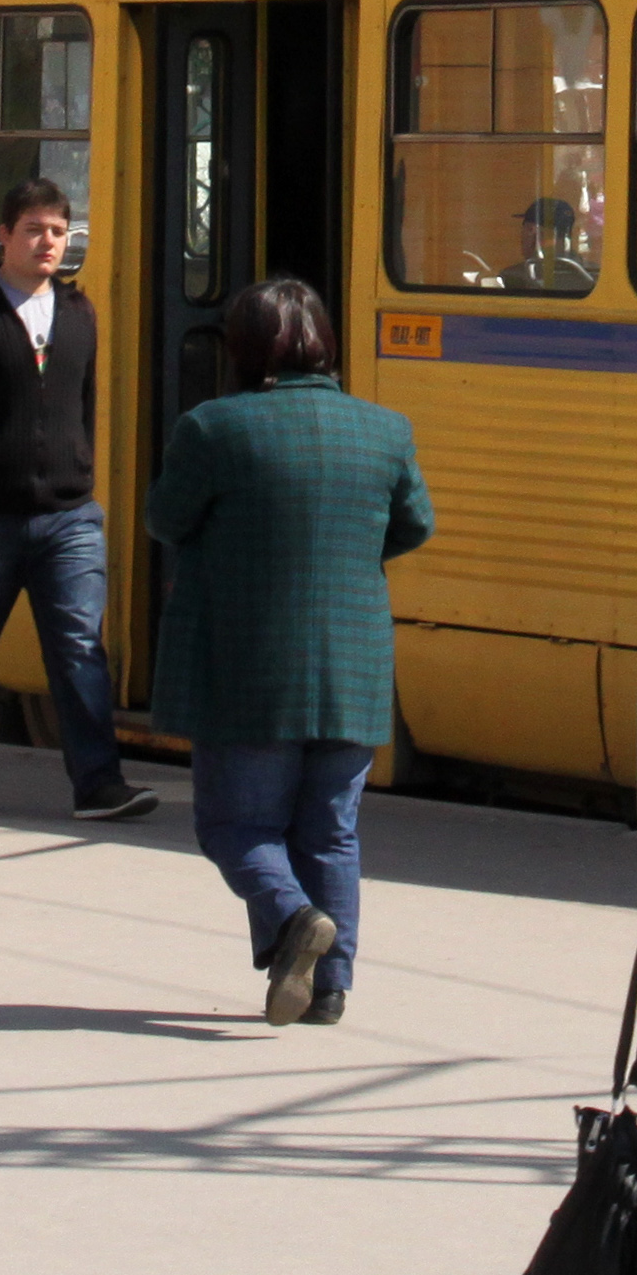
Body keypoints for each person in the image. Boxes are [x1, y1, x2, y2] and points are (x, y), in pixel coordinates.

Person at [144, 278, 433, 1026]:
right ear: (326, 346)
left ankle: (294, 917)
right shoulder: (385, 429)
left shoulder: (214, 427)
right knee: (330, 831)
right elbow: (413, 526)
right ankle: (329, 989)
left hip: (248, 666)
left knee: (237, 828)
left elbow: (166, 519)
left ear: (239, 348)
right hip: (352, 665)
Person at [0, 177, 153, 821]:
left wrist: (81, 475)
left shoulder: (79, 313)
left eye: (59, 232)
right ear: (4, 237)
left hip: (69, 517)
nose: (48, 243)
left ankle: (99, 785)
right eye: (34, 230)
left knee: (78, 645)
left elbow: (82, 406)